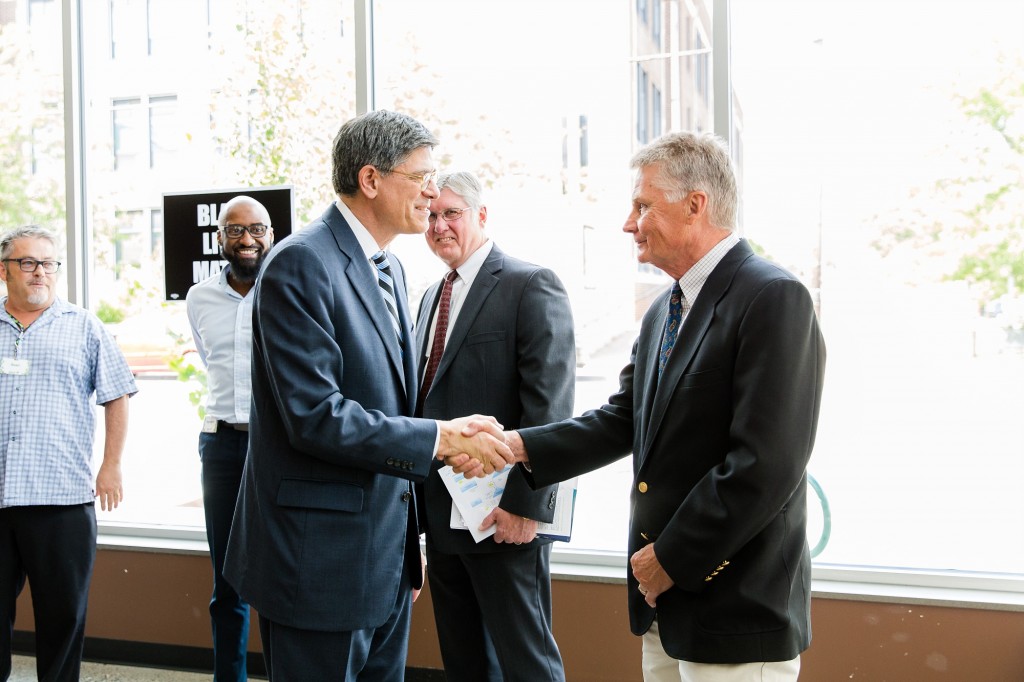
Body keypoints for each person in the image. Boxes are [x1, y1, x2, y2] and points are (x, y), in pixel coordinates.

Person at [456, 131, 826, 682]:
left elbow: (764, 467)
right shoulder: (663, 312)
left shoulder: (773, 298)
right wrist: (516, 446)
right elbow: (623, 420)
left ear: (696, 205)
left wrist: (669, 559)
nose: (629, 224)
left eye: (642, 205)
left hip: (734, 613)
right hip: (664, 608)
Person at [222, 110, 512, 681]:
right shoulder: (302, 261)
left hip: (383, 558)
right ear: (372, 179)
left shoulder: (393, 269)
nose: (434, 191)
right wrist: (438, 438)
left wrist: (410, 542)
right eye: (422, 176)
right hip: (317, 561)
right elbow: (316, 416)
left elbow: (390, 407)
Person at [415, 171, 575, 682]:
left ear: (481, 216)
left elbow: (552, 409)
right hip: (442, 515)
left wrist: (525, 506)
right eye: (431, 215)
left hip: (503, 516)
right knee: (464, 663)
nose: (440, 226)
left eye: (452, 213)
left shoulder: (530, 285)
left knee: (527, 664)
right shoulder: (427, 299)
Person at [0, 225, 137, 682]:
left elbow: (117, 393)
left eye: (48, 263)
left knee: (62, 622)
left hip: (61, 502)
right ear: (5, 271)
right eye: (28, 262)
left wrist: (111, 464)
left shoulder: (84, 326)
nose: (40, 272)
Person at [186, 196, 275, 681]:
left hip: (276, 447)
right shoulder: (200, 298)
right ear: (219, 238)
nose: (247, 240)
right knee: (228, 580)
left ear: (271, 234)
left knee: (280, 573)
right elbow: (210, 360)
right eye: (236, 231)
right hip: (220, 446)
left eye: (256, 229)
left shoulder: (287, 290)